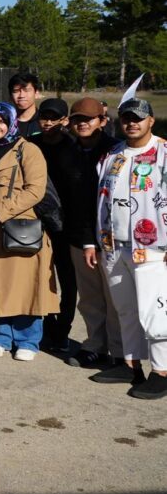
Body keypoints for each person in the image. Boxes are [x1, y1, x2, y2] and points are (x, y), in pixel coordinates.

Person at [0, 102, 59, 361]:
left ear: (11, 124)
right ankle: (0, 336)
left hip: (18, 228)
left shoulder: (28, 150)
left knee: (24, 285)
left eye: (1, 121)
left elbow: (35, 190)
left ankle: (28, 340)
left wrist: (1, 212)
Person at [92, 98, 167, 399]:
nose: (132, 123)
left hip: (154, 248)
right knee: (125, 309)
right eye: (126, 118)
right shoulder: (113, 154)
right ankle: (130, 364)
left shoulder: (164, 153)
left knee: (156, 311)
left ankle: (162, 371)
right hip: (114, 244)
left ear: (151, 121)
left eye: (138, 117)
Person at [66, 97, 123, 370]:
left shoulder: (115, 150)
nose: (82, 124)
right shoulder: (69, 150)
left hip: (110, 237)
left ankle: (120, 352)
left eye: (88, 119)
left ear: (101, 120)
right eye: (77, 119)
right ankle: (94, 346)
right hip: (79, 235)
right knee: (90, 297)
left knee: (115, 298)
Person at [30, 98, 82, 354]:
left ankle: (62, 330)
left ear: (64, 120)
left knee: (67, 278)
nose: (48, 122)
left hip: (67, 223)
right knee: (40, 275)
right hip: (37, 220)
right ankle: (47, 325)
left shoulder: (74, 147)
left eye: (54, 118)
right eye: (44, 117)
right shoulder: (32, 145)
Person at [9, 73, 41, 137]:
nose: (21, 95)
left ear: (36, 93)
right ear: (10, 96)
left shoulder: (45, 122)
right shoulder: (4, 123)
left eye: (26, 90)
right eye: (16, 91)